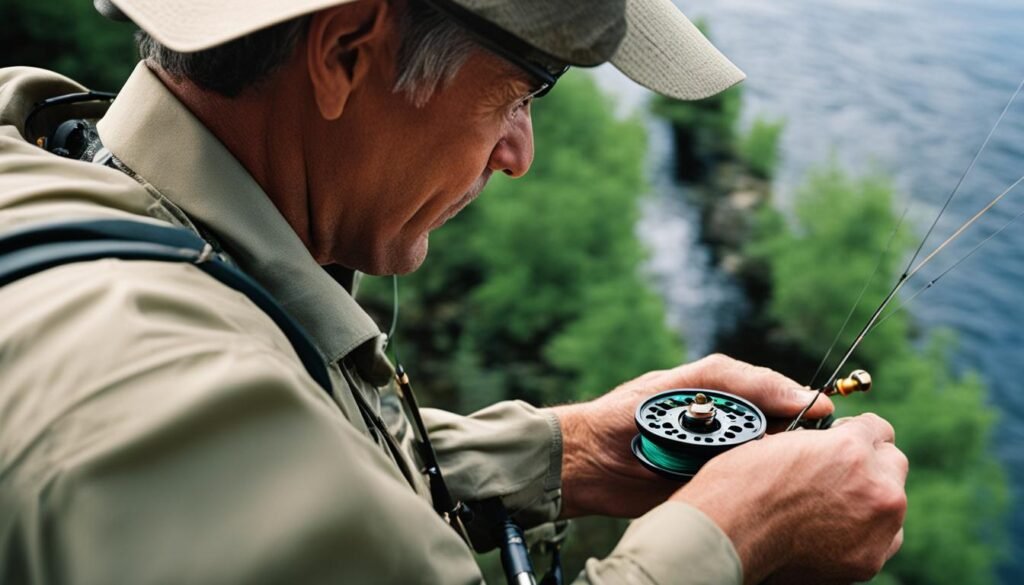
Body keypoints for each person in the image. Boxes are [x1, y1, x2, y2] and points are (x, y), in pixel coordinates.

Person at [0, 0, 907, 583]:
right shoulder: (151, 404)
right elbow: (203, 448)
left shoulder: (42, 161)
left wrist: (570, 449)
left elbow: (281, 486)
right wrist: (733, 539)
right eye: (522, 93)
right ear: (347, 51)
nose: (520, 154)